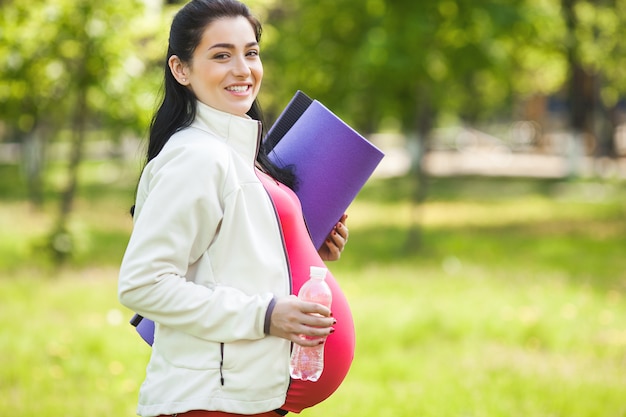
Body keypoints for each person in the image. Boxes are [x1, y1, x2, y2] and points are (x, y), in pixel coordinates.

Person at [118, 1, 355, 416]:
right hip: (210, 402)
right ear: (181, 69)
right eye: (222, 55)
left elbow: (223, 256)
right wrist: (266, 315)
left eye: (251, 52)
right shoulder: (195, 157)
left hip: (244, 397)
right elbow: (144, 284)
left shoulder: (237, 153)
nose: (243, 69)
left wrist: (304, 250)